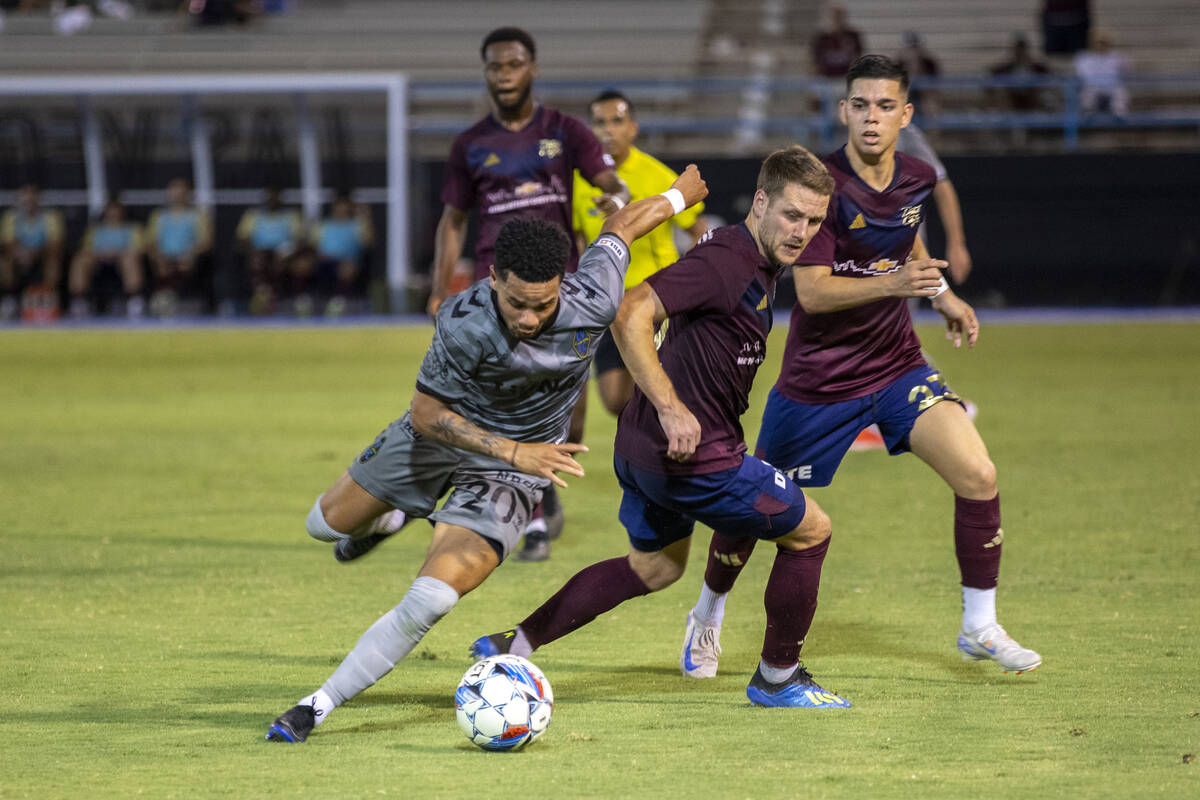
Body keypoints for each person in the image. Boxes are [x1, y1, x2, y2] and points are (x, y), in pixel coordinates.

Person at [264, 165, 708, 744]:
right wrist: (515, 449)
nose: (529, 319)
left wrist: (678, 195)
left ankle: (316, 706)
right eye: (517, 303)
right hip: (437, 439)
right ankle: (396, 510)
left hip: (506, 477)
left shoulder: (592, 295)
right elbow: (427, 414)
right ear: (493, 277)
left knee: (433, 599)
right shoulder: (463, 321)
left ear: (561, 285)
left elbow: (621, 226)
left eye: (542, 306)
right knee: (322, 526)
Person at [683, 55, 1041, 682]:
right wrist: (898, 284)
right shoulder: (824, 186)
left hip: (897, 369)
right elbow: (814, 294)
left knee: (979, 473)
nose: (871, 118)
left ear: (906, 114)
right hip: (817, 385)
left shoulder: (919, 177)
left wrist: (942, 295)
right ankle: (708, 612)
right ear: (843, 110)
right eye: (859, 105)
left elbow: (904, 240)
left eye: (884, 106)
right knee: (750, 516)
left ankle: (978, 626)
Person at [472, 146, 854, 710]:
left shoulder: (756, 263)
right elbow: (631, 312)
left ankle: (515, 642)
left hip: (643, 449)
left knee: (655, 566)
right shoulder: (729, 258)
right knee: (811, 531)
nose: (802, 231)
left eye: (815, 220)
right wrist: (673, 407)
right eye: (793, 215)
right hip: (691, 458)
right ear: (760, 201)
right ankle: (779, 678)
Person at [426, 26, 631, 562]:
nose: (505, 75)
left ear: (532, 68)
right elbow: (452, 221)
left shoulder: (564, 130)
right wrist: (437, 290)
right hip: (496, 295)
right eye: (495, 66)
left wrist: (618, 200)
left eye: (514, 65)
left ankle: (537, 494)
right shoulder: (470, 144)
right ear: (487, 72)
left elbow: (609, 181)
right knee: (496, 403)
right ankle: (524, 515)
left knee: (571, 413)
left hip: (557, 293)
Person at [572, 89, 708, 417]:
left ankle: (659, 452)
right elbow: (577, 240)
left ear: (632, 127)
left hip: (652, 302)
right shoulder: (579, 180)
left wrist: (682, 282)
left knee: (649, 393)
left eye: (617, 121)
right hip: (607, 303)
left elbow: (700, 230)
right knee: (615, 400)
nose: (608, 130)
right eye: (600, 122)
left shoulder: (657, 175)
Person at [291, 193, 372, 318]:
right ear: (334, 208)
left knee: (347, 269)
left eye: (345, 208)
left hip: (347, 261)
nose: (342, 211)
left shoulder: (357, 225)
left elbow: (368, 242)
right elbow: (311, 246)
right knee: (302, 264)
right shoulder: (323, 225)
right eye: (339, 207)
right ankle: (303, 300)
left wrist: (365, 217)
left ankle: (338, 302)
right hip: (323, 260)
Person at [145, 178, 212, 317]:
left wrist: (191, 253)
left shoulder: (197, 216)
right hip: (163, 255)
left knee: (184, 264)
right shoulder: (159, 216)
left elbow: (206, 242)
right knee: (161, 263)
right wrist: (157, 254)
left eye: (181, 192)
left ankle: (175, 301)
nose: (177, 195)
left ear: (188, 194)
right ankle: (164, 299)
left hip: (188, 255)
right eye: (174, 191)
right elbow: (150, 242)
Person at [67, 199, 145, 319]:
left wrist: (117, 253)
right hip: (98, 260)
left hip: (122, 259)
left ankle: (134, 300)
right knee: (80, 260)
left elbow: (139, 248)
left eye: (117, 211)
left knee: (130, 259)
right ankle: (79, 300)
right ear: (106, 213)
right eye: (111, 211)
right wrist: (101, 254)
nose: (114, 214)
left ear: (122, 213)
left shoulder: (132, 229)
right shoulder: (96, 231)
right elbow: (86, 248)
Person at [0, 183, 65, 322]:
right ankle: (9, 299)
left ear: (38, 199)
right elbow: (7, 242)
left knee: (53, 261)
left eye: (32, 197)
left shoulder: (50, 217)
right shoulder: (11, 217)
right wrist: (21, 253)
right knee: (4, 262)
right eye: (25, 197)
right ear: (19, 199)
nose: (29, 200)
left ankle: (48, 301)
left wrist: (34, 254)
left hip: (43, 256)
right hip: (17, 257)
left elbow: (55, 242)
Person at [235, 187, 303, 316]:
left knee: (281, 262)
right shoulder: (253, 215)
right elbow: (242, 239)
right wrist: (253, 250)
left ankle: (274, 297)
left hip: (284, 253)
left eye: (276, 196)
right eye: (270, 196)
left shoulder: (291, 215)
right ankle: (261, 294)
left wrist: (287, 252)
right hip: (259, 252)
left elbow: (300, 240)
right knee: (258, 260)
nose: (273, 200)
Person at [1074, 30, 1131, 116]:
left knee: (1120, 92)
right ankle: (1088, 115)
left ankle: (1120, 116)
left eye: (1103, 43)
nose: (1100, 46)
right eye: (1098, 43)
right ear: (1092, 45)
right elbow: (1081, 75)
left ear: (1108, 44)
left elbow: (1127, 71)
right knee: (1087, 94)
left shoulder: (1117, 56)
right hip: (1093, 87)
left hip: (1111, 86)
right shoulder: (1084, 58)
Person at [989, 33, 1051, 112]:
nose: (1020, 52)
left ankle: (1035, 116)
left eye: (1022, 49)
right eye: (1018, 49)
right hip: (1013, 95)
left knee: (1040, 93)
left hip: (1031, 94)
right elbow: (993, 72)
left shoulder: (1036, 66)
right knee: (1002, 93)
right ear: (1014, 50)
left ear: (1026, 50)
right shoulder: (1007, 66)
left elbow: (1048, 72)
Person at [810, 2, 863, 78]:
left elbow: (858, 55)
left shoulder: (853, 35)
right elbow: (815, 58)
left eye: (839, 15)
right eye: (834, 16)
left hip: (846, 75)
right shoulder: (822, 37)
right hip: (826, 76)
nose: (837, 19)